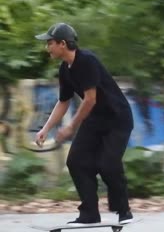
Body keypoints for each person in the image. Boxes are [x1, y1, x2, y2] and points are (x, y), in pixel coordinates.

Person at [34, 23, 134, 225]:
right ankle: (89, 214)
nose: (47, 48)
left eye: (50, 43)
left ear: (63, 44)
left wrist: (70, 126)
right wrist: (45, 128)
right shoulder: (65, 69)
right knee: (76, 161)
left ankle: (124, 211)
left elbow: (90, 99)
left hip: (118, 119)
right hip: (95, 119)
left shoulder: (87, 61)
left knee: (108, 164)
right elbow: (63, 102)